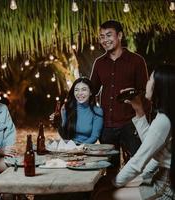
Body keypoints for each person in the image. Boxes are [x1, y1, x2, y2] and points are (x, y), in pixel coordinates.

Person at [93, 65, 175, 199]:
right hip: (162, 178)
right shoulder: (167, 115)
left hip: (164, 186)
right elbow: (150, 144)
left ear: (159, 86)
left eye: (150, 80)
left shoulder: (163, 120)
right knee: (104, 186)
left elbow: (138, 161)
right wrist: (139, 109)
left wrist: (113, 183)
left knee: (103, 194)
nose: (146, 83)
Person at [90, 20, 150, 167]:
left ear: (120, 35)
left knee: (137, 166)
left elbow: (145, 92)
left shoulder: (137, 61)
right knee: (109, 169)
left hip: (130, 124)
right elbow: (91, 91)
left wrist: (145, 121)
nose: (105, 40)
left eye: (109, 35)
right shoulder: (99, 63)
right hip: (106, 126)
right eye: (102, 36)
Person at [50, 77, 103, 144]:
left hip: (86, 148)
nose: (79, 93)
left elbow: (94, 137)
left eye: (84, 90)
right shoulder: (67, 107)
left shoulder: (97, 111)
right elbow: (64, 135)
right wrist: (58, 124)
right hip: (68, 147)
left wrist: (80, 148)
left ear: (91, 92)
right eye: (76, 90)